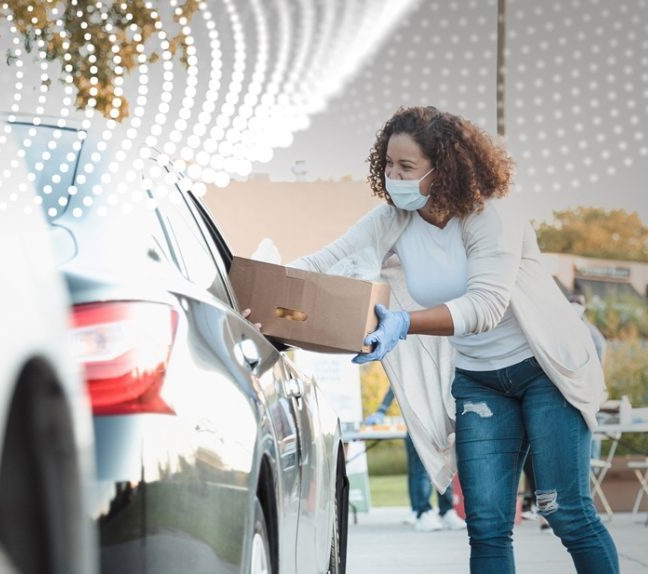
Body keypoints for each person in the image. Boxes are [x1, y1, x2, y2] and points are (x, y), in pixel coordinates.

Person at [247, 106, 618, 573]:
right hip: (480, 382)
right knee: (485, 525)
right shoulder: (394, 220)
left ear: (443, 170)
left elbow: (485, 307)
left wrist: (402, 322)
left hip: (545, 370)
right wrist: (256, 298)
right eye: (387, 164)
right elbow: (322, 263)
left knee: (567, 514)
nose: (392, 175)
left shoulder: (490, 217)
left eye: (406, 167)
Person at [365, 387, 466, 531]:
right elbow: (395, 383)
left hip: (441, 418)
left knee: (445, 466)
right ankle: (422, 513)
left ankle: (446, 511)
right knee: (421, 469)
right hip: (417, 420)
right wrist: (382, 409)